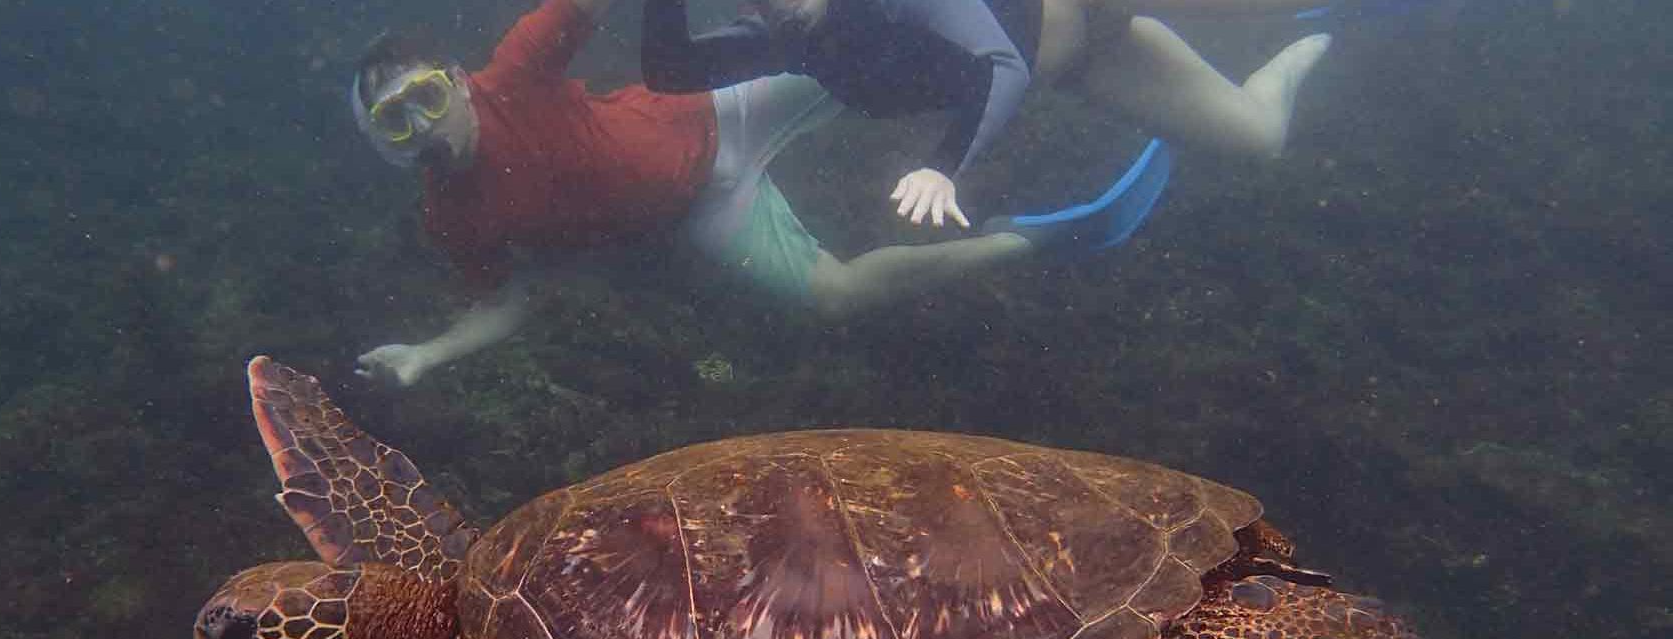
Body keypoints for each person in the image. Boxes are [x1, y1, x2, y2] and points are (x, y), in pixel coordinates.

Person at [349, 0, 1171, 387]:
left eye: (424, 98)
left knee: (877, 64)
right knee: (838, 297)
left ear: (454, 81)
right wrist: (427, 354)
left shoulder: (515, 70)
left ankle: (1044, 37)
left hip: (724, 106)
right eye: (394, 125)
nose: (423, 128)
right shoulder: (450, 216)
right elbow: (505, 303)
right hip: (704, 212)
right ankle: (1040, 236)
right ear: (379, 148)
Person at [642, 0, 1337, 230]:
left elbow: (999, 63)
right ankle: (1292, 63)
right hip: (1086, 62)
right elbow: (673, 71)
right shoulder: (784, 36)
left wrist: (944, 169)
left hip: (1081, 15)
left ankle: (1325, 19)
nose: (776, 6)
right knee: (1260, 137)